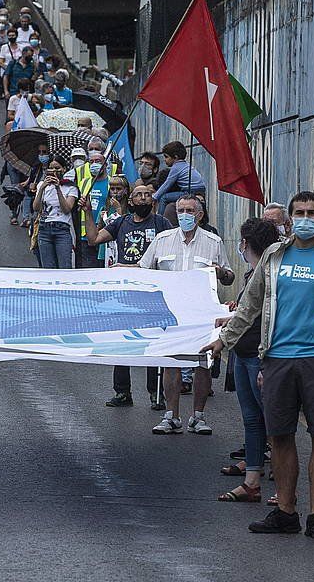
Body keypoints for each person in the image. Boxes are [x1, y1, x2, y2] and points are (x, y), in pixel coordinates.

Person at [204, 191, 314, 539]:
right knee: (279, 435)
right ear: (290, 219)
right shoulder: (275, 257)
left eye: (312, 213)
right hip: (277, 357)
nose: (306, 218)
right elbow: (250, 305)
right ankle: (286, 510)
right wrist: (224, 340)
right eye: (300, 213)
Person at [139, 195, 233, 436]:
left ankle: (198, 416)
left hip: (202, 314)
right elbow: (144, 271)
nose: (184, 214)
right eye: (180, 210)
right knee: (172, 362)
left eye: (189, 210)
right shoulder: (162, 240)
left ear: (199, 215)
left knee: (202, 363)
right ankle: (171, 415)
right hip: (170, 312)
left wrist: (220, 271)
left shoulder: (213, 241)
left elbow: (229, 275)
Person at [83, 183, 171, 408]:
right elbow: (93, 239)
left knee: (154, 341)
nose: (143, 198)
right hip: (125, 292)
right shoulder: (121, 223)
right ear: (130, 201)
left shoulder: (162, 224)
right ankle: (122, 392)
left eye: (147, 195)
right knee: (122, 340)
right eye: (139, 195)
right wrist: (86, 213)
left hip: (153, 292)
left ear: (152, 200)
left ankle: (156, 392)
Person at [212, 217, 281, 504]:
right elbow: (248, 312)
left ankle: (282, 486)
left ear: (245, 243)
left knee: (273, 422)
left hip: (258, 356)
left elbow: (262, 315)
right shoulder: (252, 274)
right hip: (242, 353)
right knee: (252, 420)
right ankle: (251, 481)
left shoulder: (270, 275)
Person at [33, 161, 78, 269]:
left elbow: (67, 209)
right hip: (44, 229)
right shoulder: (41, 185)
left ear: (63, 169)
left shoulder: (70, 186)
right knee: (48, 268)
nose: (54, 171)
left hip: (62, 229)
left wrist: (58, 188)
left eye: (57, 168)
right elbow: (36, 208)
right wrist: (42, 188)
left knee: (64, 267)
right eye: (51, 168)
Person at [152, 141, 206, 220]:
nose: (165, 160)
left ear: (175, 157)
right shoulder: (186, 165)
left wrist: (155, 197)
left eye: (166, 157)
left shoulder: (176, 167)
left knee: (164, 198)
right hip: (200, 190)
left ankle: (160, 219)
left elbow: (167, 184)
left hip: (190, 191)